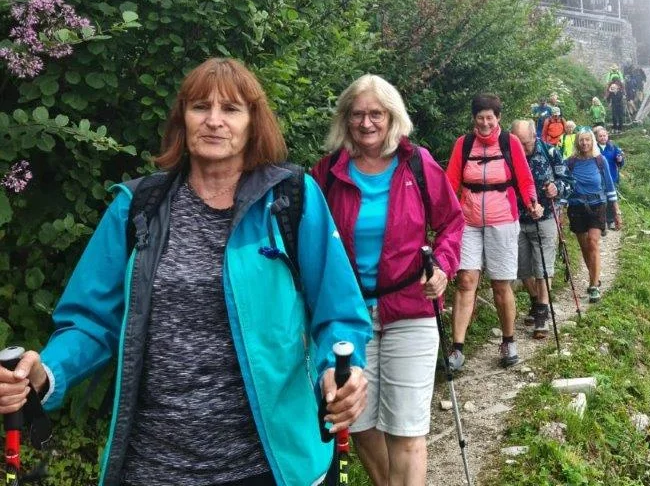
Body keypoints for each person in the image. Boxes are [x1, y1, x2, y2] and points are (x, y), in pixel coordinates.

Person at [0, 57, 372, 486]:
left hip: (266, 465)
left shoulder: (289, 199)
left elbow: (339, 311)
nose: (214, 121)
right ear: (182, 118)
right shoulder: (138, 208)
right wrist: (45, 372)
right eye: (200, 107)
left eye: (231, 109)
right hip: (152, 466)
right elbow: (90, 321)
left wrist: (340, 370)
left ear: (253, 122)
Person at [311, 75, 465, 486]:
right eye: (357, 114)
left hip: (410, 308)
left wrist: (443, 266)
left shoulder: (417, 164)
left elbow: (452, 222)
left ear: (392, 116)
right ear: (345, 119)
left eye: (376, 114)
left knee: (406, 431)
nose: (366, 123)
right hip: (348, 316)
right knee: (359, 425)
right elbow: (309, 241)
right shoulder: (327, 174)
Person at [446, 93, 540, 369]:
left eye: (490, 117)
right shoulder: (463, 145)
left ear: (498, 118)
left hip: (503, 220)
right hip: (468, 221)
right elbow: (450, 182)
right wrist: (442, 214)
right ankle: (457, 348)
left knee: (500, 284)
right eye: (480, 117)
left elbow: (525, 179)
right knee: (466, 281)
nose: (485, 123)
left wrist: (532, 202)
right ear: (474, 118)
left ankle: (508, 340)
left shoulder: (510, 143)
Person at [510, 120, 570, 339]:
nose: (523, 149)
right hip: (515, 219)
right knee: (522, 268)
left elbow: (567, 181)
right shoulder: (507, 155)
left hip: (545, 217)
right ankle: (536, 301)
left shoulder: (551, 152)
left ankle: (542, 313)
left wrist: (557, 188)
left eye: (526, 143)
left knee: (543, 266)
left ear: (534, 136)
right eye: (518, 143)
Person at [564, 129, 620, 304]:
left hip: (597, 205)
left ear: (592, 141)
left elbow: (609, 186)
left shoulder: (600, 160)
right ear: (577, 142)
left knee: (592, 242)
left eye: (588, 140)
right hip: (576, 206)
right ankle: (593, 275)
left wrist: (616, 212)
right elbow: (563, 185)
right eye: (581, 140)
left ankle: (594, 285)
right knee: (584, 246)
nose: (584, 143)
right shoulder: (570, 163)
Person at [594, 126, 625, 235]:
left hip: (612, 177)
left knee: (611, 200)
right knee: (601, 201)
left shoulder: (613, 147)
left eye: (604, 135)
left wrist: (620, 159)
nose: (603, 138)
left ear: (607, 136)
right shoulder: (594, 148)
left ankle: (610, 221)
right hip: (598, 179)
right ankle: (601, 223)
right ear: (596, 137)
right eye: (600, 136)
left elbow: (620, 163)